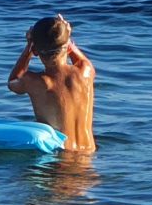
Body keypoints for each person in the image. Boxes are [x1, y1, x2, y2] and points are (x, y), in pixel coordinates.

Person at [9, 14, 97, 151]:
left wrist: (29, 47)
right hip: (89, 153)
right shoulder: (86, 71)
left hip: (61, 157)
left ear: (36, 51)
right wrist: (65, 34)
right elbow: (73, 52)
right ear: (67, 45)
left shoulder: (38, 82)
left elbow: (13, 82)